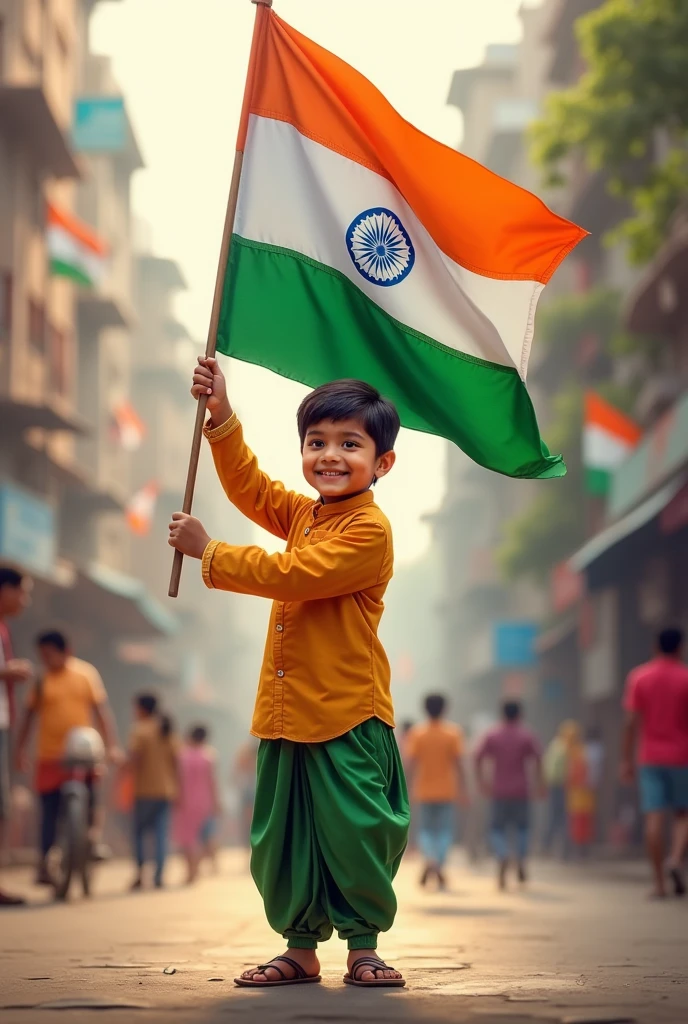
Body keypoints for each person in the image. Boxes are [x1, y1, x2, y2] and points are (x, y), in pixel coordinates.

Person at [169, 362, 409, 989]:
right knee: (283, 840)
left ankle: (364, 949)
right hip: (284, 713)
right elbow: (250, 489)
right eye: (317, 442)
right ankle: (299, 949)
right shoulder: (305, 515)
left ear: (381, 463)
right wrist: (221, 415)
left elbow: (293, 576)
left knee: (356, 836)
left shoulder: (368, 530)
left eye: (350, 444)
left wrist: (211, 552)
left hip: (346, 714)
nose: (330, 456)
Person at [15, 630, 121, 886]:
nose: (46, 660)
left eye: (50, 654)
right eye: (42, 656)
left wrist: (112, 746)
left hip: (82, 754)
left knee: (94, 795)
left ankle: (93, 840)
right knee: (48, 812)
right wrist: (20, 750)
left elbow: (101, 712)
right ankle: (44, 862)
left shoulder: (85, 675)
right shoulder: (41, 681)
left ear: (66, 651)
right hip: (49, 756)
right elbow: (28, 717)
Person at [621, 627, 688, 899]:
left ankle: (659, 884)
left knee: (654, 817)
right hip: (683, 755)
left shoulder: (639, 677)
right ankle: (675, 858)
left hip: (649, 757)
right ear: (680, 647)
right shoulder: (685, 677)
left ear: (654, 646)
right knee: (683, 815)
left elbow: (630, 722)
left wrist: (625, 759)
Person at [474, 701, 544, 890]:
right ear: (520, 714)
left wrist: (482, 781)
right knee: (522, 828)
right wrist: (539, 782)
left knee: (497, 829)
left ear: (502, 714)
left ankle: (503, 855)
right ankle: (520, 858)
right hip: (522, 790)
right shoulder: (526, 734)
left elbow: (477, 756)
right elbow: (538, 758)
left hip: (498, 790)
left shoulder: (493, 734)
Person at [405, 695, 467, 890]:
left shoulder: (417, 733)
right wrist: (464, 788)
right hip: (447, 791)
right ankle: (437, 862)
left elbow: (410, 764)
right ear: (444, 709)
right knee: (444, 831)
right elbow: (458, 764)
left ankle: (430, 859)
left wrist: (405, 788)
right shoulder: (453, 733)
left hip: (423, 790)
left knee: (425, 830)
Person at [0, 565, 33, 906]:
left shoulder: (4, 629)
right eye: (21, 591)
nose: (25, 600)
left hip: (4, 723)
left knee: (3, 804)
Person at [128, 694, 179, 890]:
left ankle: (140, 874)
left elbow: (135, 758)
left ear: (142, 709)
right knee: (160, 834)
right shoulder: (168, 731)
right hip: (166, 791)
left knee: (140, 833)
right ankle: (159, 876)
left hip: (144, 791)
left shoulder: (140, 730)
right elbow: (176, 763)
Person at [174, 725, 221, 884]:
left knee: (188, 838)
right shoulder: (209, 756)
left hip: (186, 801)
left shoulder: (182, 755)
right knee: (203, 837)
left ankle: (190, 871)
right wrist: (216, 801)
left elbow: (178, 780)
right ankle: (197, 868)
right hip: (204, 802)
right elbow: (212, 781)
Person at [543, 721, 575, 858]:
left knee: (554, 818)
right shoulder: (563, 748)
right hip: (560, 787)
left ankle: (548, 847)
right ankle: (560, 850)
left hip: (553, 786)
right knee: (561, 819)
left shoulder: (553, 745)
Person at [565, 723, 595, 855]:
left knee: (579, 822)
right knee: (579, 822)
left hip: (579, 794)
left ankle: (580, 850)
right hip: (580, 793)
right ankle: (579, 850)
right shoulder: (580, 750)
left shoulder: (576, 751)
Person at [232, 736, 258, 852]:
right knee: (248, 820)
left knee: (250, 819)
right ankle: (249, 846)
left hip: (252, 789)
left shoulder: (246, 752)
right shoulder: (245, 752)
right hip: (249, 789)